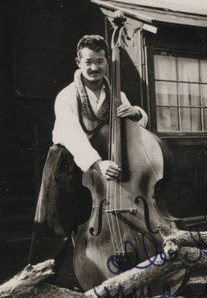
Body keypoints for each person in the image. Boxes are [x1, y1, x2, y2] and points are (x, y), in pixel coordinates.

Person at [28, 34, 148, 266]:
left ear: (107, 62)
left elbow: (132, 126)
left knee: (90, 222)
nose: (94, 67)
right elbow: (72, 134)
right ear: (78, 62)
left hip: (98, 166)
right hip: (67, 162)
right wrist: (98, 163)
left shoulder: (117, 94)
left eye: (100, 61)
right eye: (88, 61)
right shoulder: (67, 95)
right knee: (56, 227)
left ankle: (89, 276)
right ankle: (40, 284)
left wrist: (137, 113)